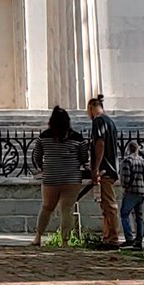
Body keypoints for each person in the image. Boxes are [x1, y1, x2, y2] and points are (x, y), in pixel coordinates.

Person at [30, 106, 86, 247]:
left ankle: (38, 237)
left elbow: (36, 156)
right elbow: (84, 157)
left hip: (51, 177)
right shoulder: (77, 138)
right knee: (67, 209)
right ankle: (65, 241)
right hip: (71, 178)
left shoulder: (44, 137)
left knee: (47, 207)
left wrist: (43, 168)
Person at [86, 95, 122, 250]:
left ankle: (113, 238)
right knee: (105, 206)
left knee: (109, 205)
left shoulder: (98, 121)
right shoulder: (110, 121)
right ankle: (107, 237)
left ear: (91, 108)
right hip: (111, 167)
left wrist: (96, 167)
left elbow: (100, 144)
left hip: (106, 169)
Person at [119, 141, 144, 249]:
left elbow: (125, 177)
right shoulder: (143, 162)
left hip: (131, 191)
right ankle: (139, 240)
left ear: (128, 149)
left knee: (124, 213)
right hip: (141, 191)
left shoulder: (127, 161)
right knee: (139, 217)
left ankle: (129, 238)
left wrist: (125, 186)